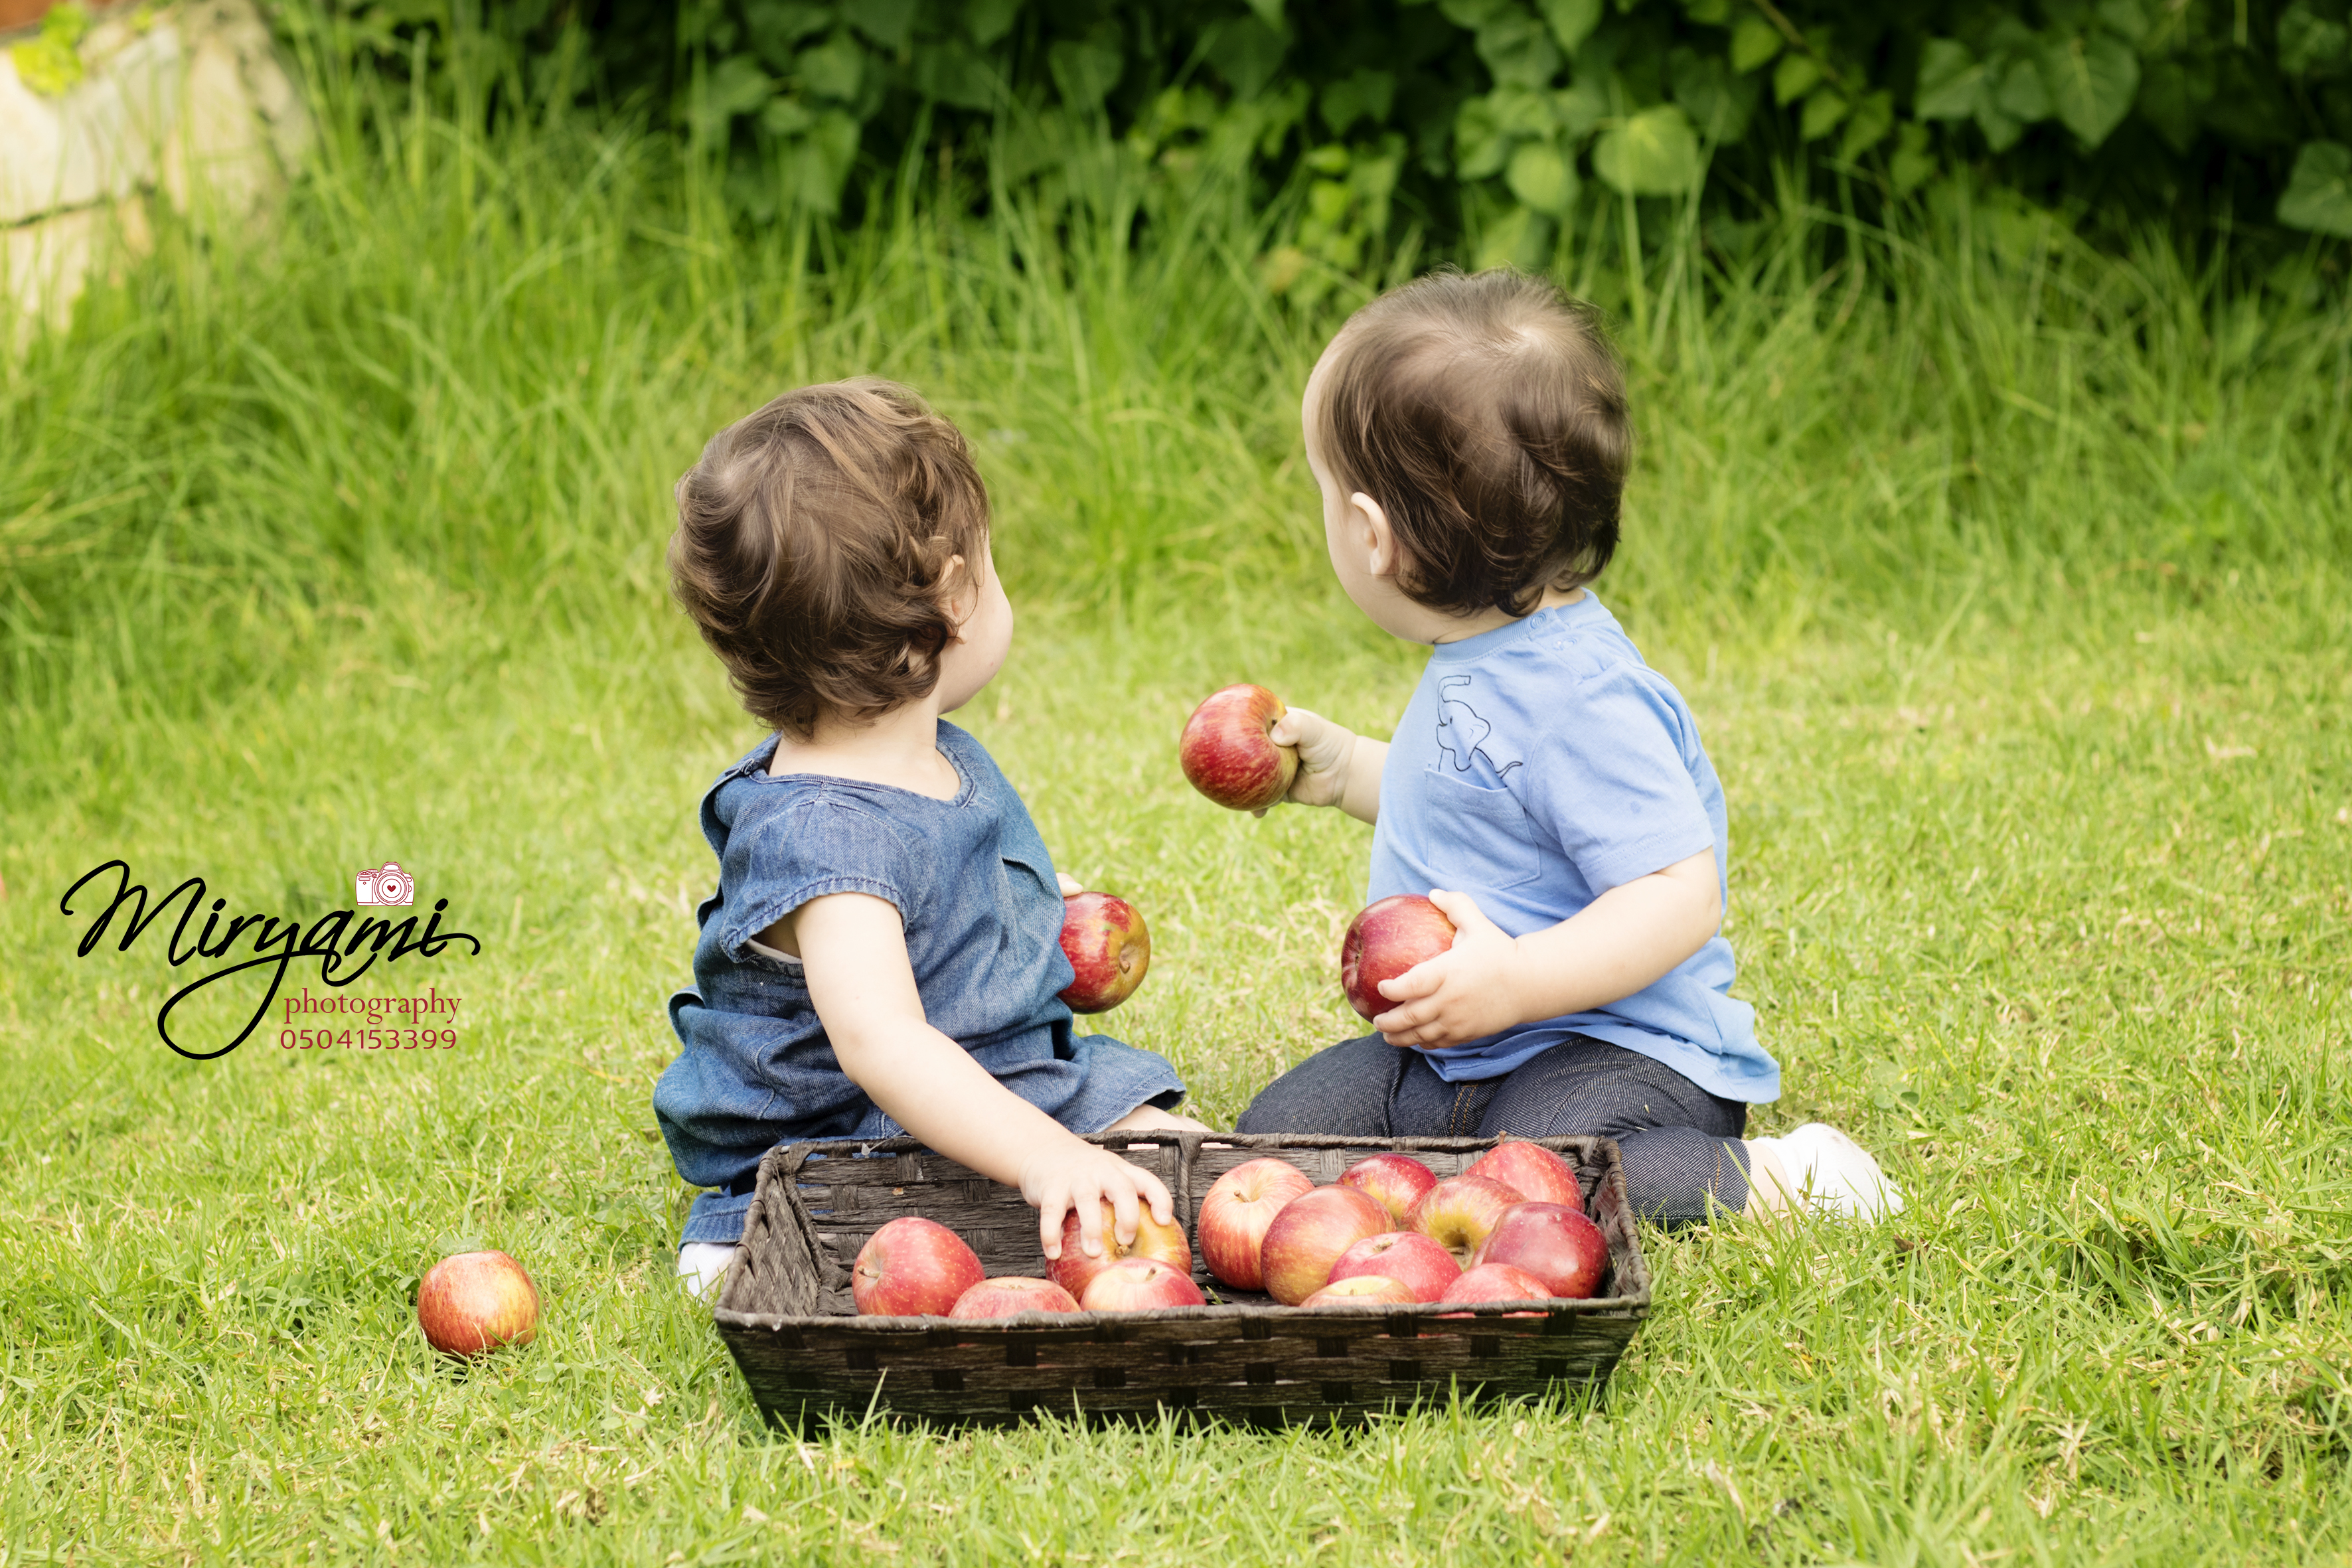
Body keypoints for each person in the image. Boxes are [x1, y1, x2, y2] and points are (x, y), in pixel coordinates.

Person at [1233, 269, 1900, 1226]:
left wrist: (1517, 982)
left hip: (1619, 1050)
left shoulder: (1582, 694)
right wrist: (1347, 772)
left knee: (1540, 1181)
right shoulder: (1477, 655)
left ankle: (1779, 1179)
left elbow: (1679, 892)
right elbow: (1479, 801)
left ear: (1375, 536)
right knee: (1275, 1145)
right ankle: (1470, 1142)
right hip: (1466, 1050)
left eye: (1326, 493)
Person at [655, 378, 1208, 1298]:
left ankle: (1051, 1176)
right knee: (820, 1256)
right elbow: (885, 1046)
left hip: (990, 1068)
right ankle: (749, 1246)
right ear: (954, 594)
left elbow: (944, 874)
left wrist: (1024, 905)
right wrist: (1044, 1156)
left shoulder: (925, 752)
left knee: (1200, 1168)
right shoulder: (822, 841)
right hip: (842, 1135)